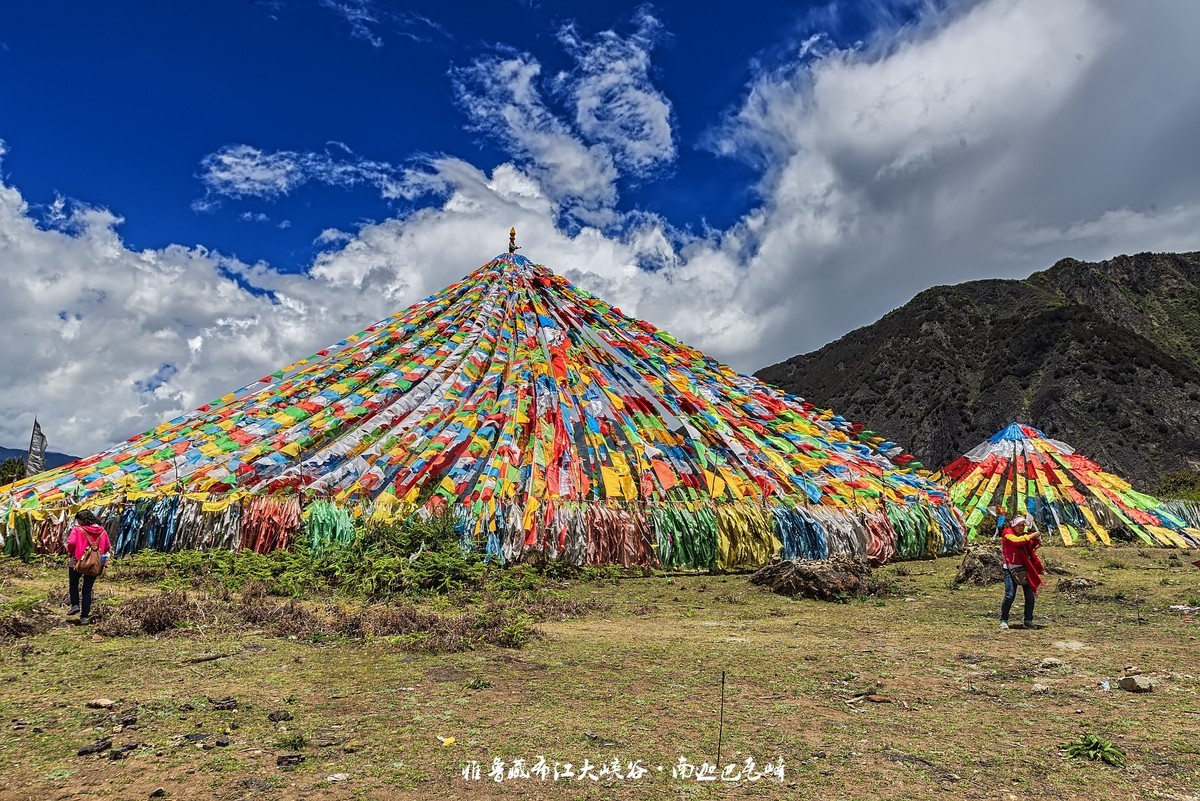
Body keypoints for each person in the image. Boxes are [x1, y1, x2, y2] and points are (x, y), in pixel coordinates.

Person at [65, 510, 112, 625]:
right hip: (95, 564)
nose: (78, 523)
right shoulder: (102, 531)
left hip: (77, 561)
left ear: (82, 520)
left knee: (73, 583)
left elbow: (71, 543)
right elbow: (107, 547)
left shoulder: (77, 530)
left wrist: (72, 553)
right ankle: (84, 617)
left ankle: (75, 605)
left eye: (78, 520)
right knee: (87, 590)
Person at [999, 516, 1043, 629]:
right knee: (1010, 595)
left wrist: (1036, 540)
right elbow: (1017, 542)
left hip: (1025, 568)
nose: (1021, 527)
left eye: (1023, 525)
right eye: (1019, 525)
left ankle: (1028, 620)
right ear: (1013, 525)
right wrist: (1031, 536)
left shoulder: (1024, 536)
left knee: (1030, 596)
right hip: (1010, 569)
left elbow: (1029, 545)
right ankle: (1003, 619)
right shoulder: (1007, 534)